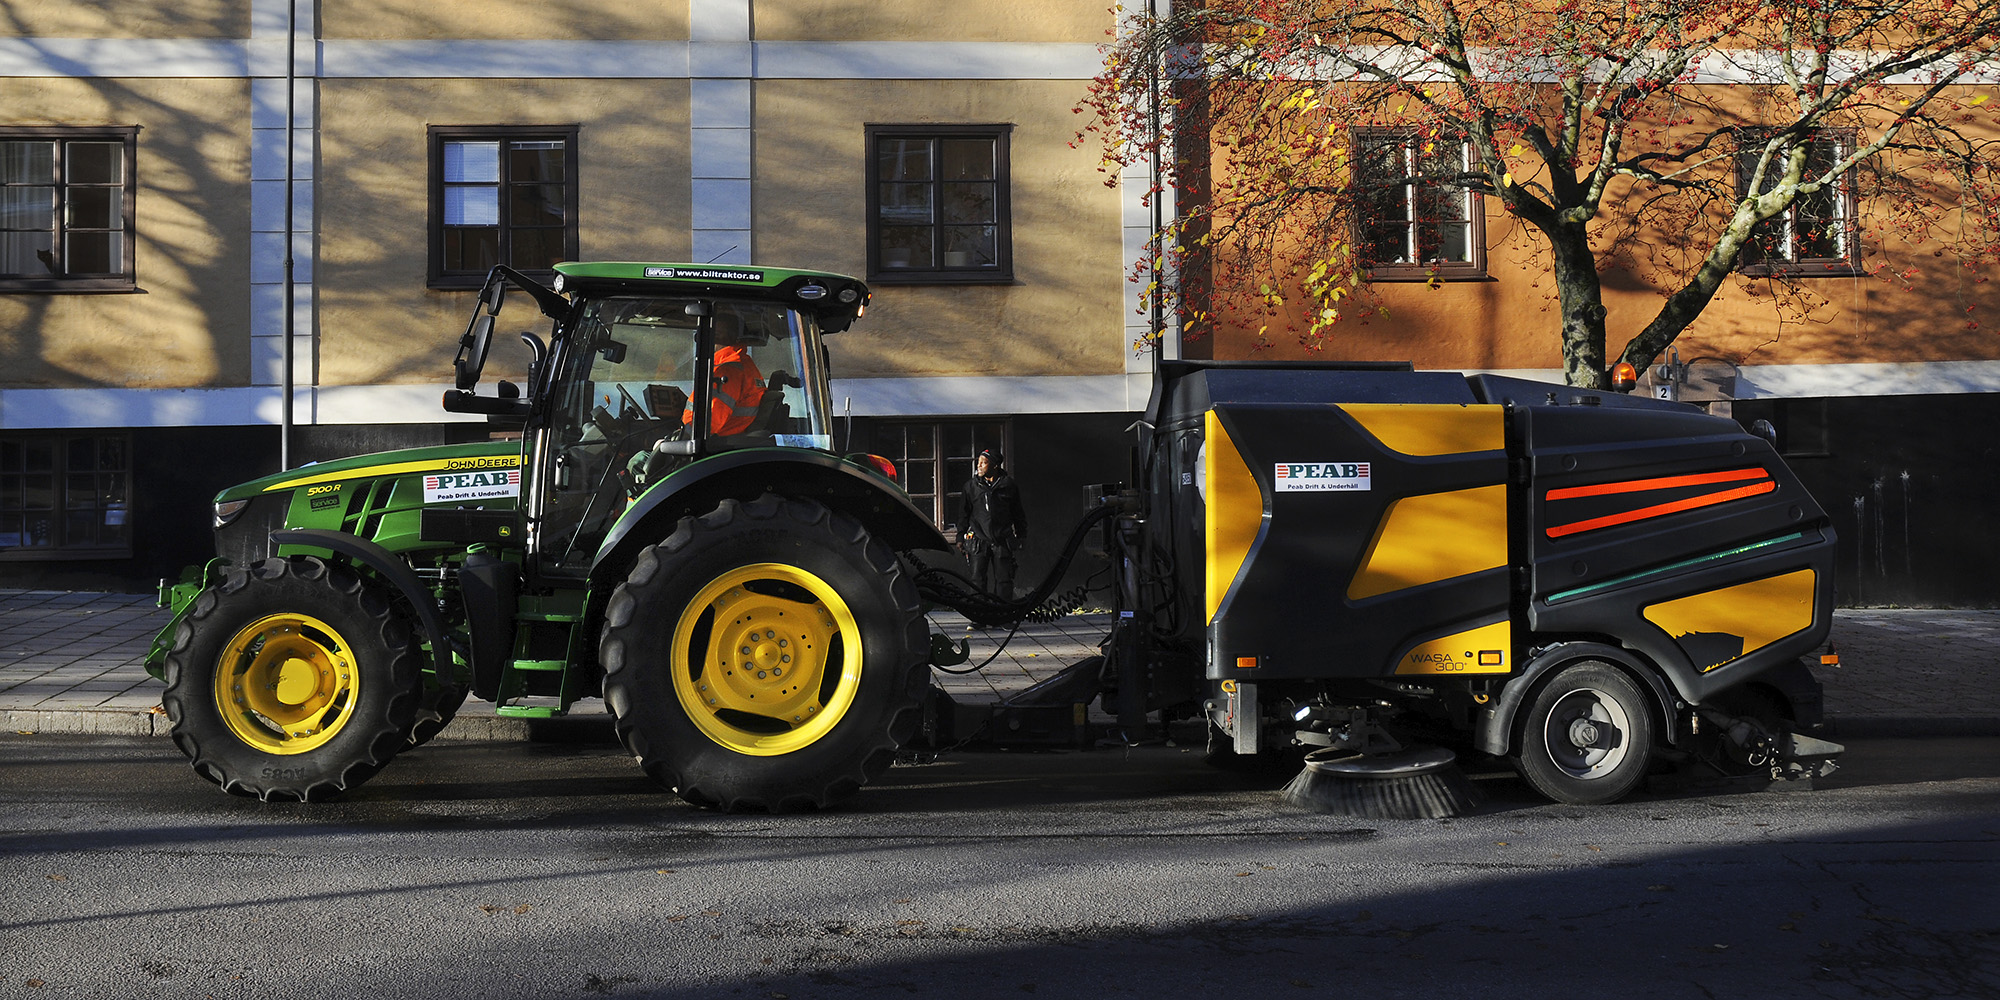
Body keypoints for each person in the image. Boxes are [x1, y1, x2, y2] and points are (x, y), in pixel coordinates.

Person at [959, 448, 1028, 598]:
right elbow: (964, 514)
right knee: (977, 580)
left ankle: (1002, 610)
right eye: (978, 462)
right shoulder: (971, 487)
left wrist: (1021, 534)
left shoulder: (1008, 485)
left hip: (1002, 539)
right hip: (978, 540)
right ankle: (979, 611)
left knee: (1004, 581)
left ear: (995, 465)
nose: (979, 466)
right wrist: (960, 537)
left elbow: (1018, 512)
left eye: (983, 463)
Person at [682, 312, 765, 435]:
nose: (708, 340)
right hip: (730, 437)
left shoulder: (728, 371)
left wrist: (683, 437)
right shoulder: (743, 363)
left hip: (719, 440)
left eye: (716, 335)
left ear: (733, 338)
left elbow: (709, 422)